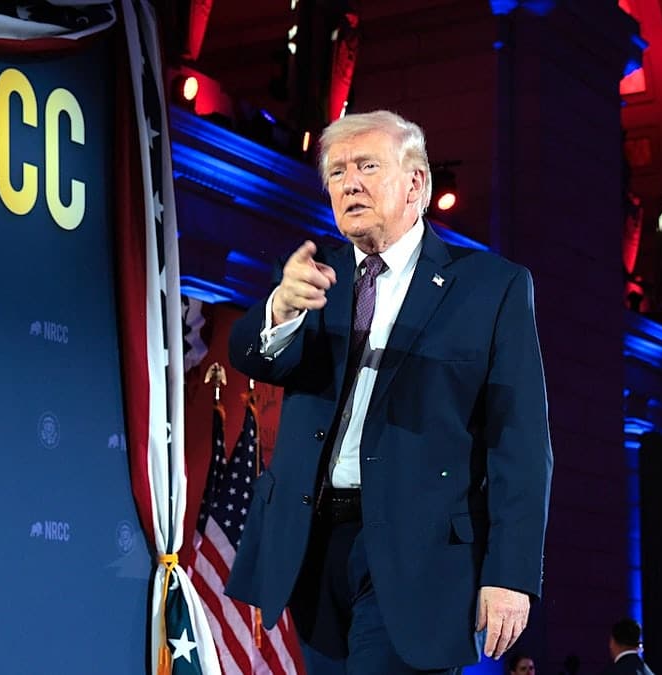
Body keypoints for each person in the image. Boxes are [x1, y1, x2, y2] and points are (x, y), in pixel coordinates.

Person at [226, 110, 553, 674]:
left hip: (417, 555)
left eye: (367, 166)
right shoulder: (314, 276)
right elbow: (251, 357)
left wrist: (510, 574)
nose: (348, 182)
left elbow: (519, 441)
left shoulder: (490, 287)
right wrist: (278, 309)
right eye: (336, 172)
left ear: (417, 183)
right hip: (312, 546)